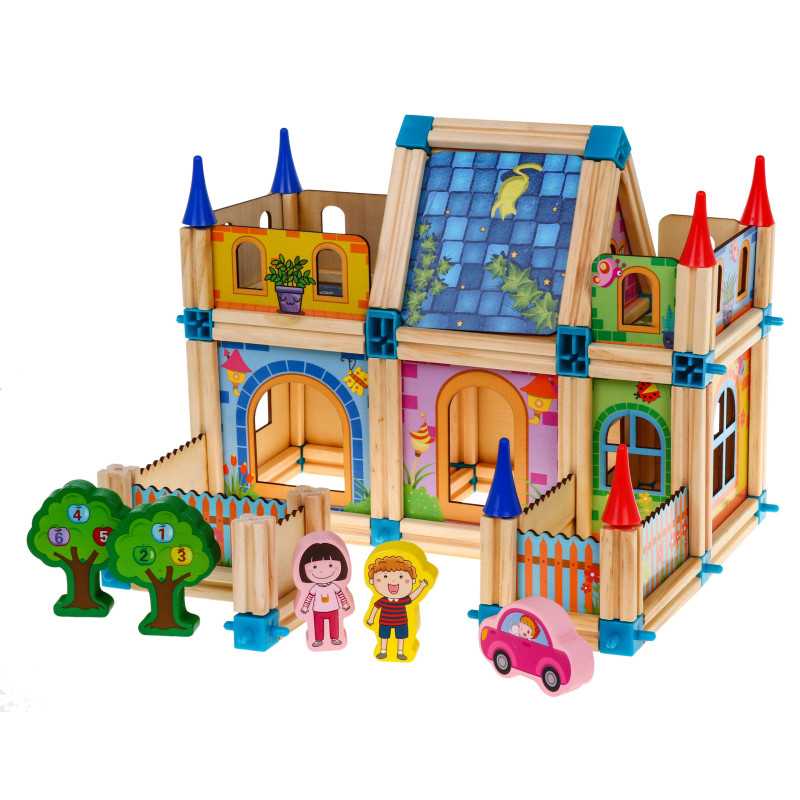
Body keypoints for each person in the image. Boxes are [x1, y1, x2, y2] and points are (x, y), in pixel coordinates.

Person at [366, 556, 428, 660]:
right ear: (372, 581)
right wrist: (371, 619)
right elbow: (375, 608)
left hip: (401, 622)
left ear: (412, 581)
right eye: (385, 576)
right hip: (385, 622)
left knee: (401, 637)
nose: (393, 580)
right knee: (384, 636)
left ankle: (400, 652)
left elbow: (413, 596)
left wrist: (421, 586)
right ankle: (383, 651)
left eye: (401, 576)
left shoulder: (403, 600)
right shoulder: (382, 600)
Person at [297, 540, 352, 647]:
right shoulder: (314, 588)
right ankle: (318, 640)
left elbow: (341, 595)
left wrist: (345, 605)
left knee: (334, 624)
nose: (322, 571)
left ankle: (335, 638)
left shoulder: (334, 586)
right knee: (318, 625)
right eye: (314, 567)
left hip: (334, 609)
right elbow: (309, 597)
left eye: (331, 565)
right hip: (318, 610)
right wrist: (305, 607)